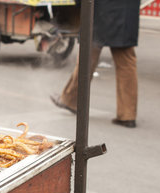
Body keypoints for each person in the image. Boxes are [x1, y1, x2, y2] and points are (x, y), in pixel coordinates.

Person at [51, 0, 140, 128]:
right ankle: (127, 115)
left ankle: (71, 100)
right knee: (125, 60)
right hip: (126, 13)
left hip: (100, 11)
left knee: (87, 56)